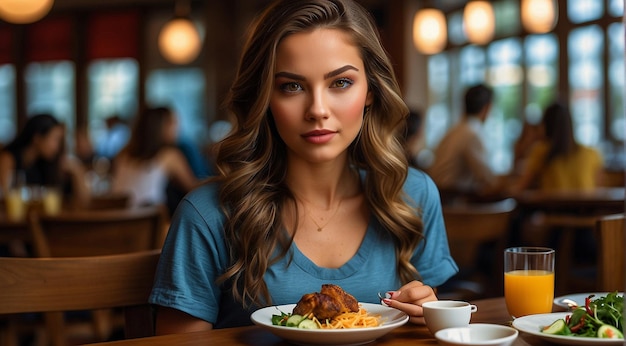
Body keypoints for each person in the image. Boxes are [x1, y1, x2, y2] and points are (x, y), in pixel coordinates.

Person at [149, 0, 458, 334]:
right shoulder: (208, 215)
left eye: (340, 82)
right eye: (292, 86)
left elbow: (424, 324)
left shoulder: (413, 195)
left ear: (370, 90)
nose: (318, 110)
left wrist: (423, 307)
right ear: (265, 96)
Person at [110, 106, 199, 210]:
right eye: (173, 122)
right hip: (149, 223)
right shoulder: (169, 155)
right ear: (162, 127)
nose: (177, 127)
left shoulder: (122, 154)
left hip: (115, 221)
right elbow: (194, 189)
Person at [510, 102, 603, 193]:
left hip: (552, 208)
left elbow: (521, 187)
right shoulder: (592, 153)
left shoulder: (541, 151)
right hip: (586, 208)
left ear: (545, 125)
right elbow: (598, 190)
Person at [0, 114, 89, 205]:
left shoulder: (49, 163)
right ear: (37, 138)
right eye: (55, 139)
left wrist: (77, 171)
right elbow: (6, 199)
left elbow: (83, 202)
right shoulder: (8, 159)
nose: (57, 146)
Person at [427, 84, 497, 199]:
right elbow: (487, 177)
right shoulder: (473, 133)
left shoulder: (455, 130)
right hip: (453, 201)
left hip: (439, 196)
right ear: (488, 107)